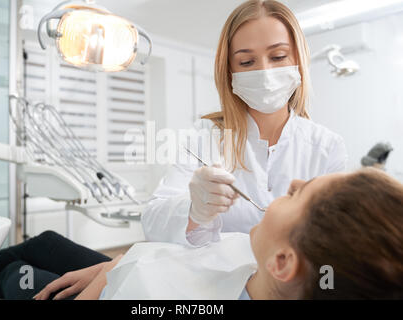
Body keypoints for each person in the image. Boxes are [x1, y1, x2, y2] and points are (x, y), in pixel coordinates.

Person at [141, 0, 348, 247]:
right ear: (229, 72)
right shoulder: (206, 136)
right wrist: (194, 210)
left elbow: (337, 241)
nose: (265, 72)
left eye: (278, 56)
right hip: (216, 280)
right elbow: (152, 223)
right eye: (247, 62)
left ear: (298, 61)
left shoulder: (327, 147)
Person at [50, 168, 403, 300]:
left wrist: (113, 273)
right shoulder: (262, 263)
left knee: (22, 272)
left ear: (281, 262)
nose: (291, 182)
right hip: (128, 265)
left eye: (297, 194)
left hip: (117, 279)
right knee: (45, 247)